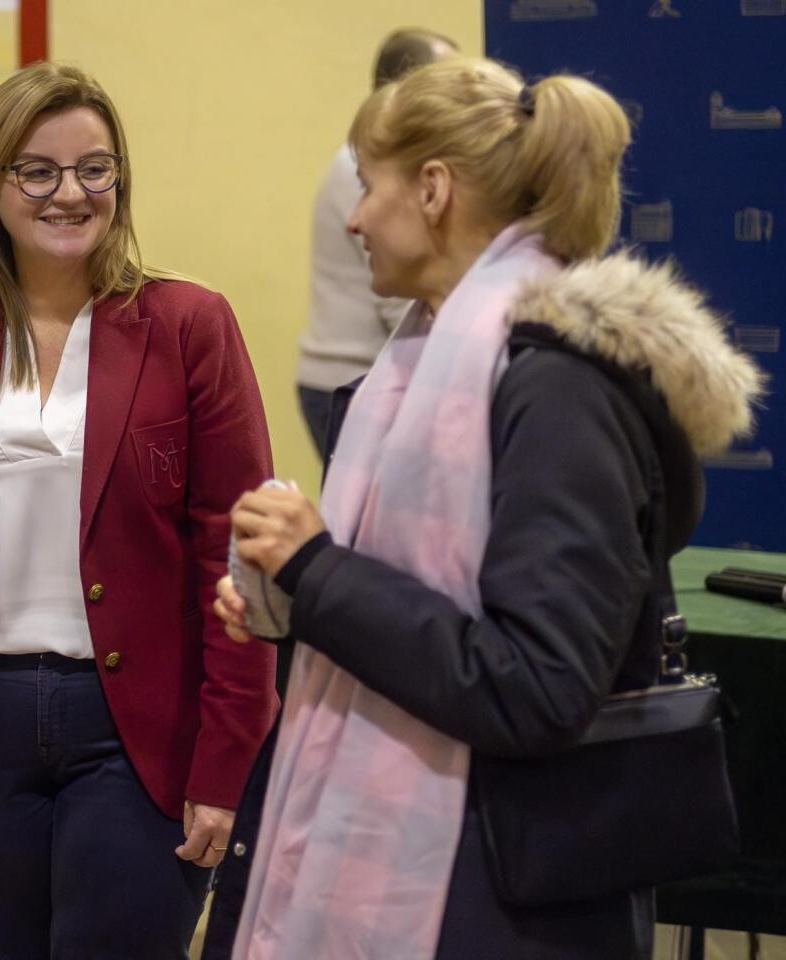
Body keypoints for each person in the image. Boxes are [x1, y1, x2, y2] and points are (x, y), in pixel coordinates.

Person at [206, 54, 763, 959]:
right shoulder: (420, 365)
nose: (352, 218)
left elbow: (535, 687)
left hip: (501, 900)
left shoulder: (557, 391)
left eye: (367, 185)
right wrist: (297, 607)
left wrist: (318, 571)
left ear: (433, 189)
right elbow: (431, 611)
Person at [0, 62, 278, 960]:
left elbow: (236, 564)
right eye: (37, 171)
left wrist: (227, 763)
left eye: (95, 167)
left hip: (141, 736)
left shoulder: (189, 325)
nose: (70, 193)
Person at [296, 28, 457, 457]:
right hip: (355, 378)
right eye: (445, 83)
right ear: (408, 90)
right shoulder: (365, 166)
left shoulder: (381, 165)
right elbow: (400, 304)